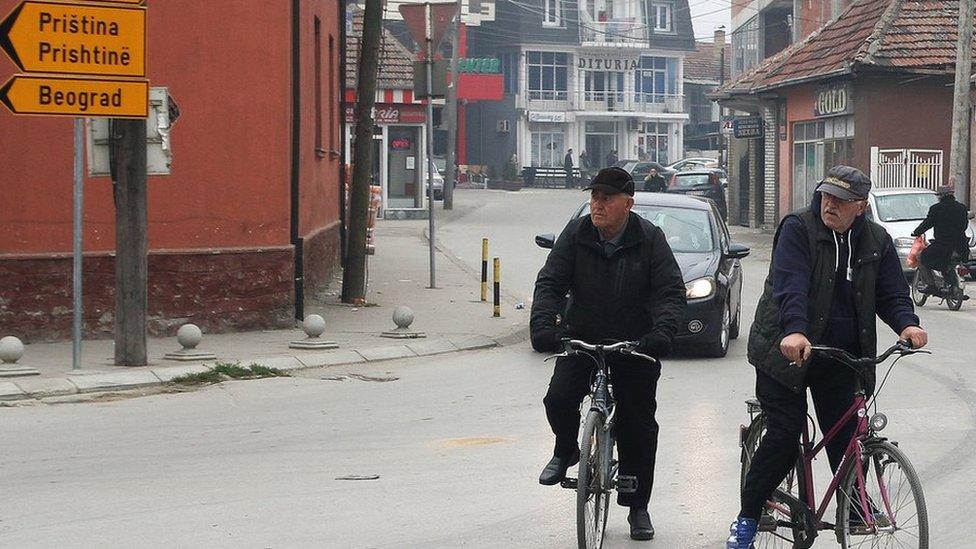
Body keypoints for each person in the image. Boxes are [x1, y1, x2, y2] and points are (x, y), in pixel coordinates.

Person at [727, 165, 928, 548]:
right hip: (784, 349)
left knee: (850, 437)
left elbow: (891, 292)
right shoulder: (798, 229)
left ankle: (853, 509)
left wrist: (907, 324)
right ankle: (748, 518)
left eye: (840, 199)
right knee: (784, 437)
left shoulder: (876, 241)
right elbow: (791, 285)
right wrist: (795, 330)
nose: (829, 204)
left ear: (861, 207)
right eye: (825, 195)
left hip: (841, 354)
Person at [531, 167, 687, 541]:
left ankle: (637, 507)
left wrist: (661, 333)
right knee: (558, 399)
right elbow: (551, 280)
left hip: (634, 343)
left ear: (628, 204)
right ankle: (567, 449)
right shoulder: (578, 232)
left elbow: (670, 292)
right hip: (582, 336)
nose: (597, 205)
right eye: (594, 197)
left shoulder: (650, 239)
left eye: (607, 198)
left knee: (638, 424)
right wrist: (543, 325)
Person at [911, 184, 969, 292]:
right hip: (961, 246)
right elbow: (964, 226)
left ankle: (931, 285)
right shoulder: (962, 208)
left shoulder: (936, 209)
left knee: (920, 257)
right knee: (946, 261)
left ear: (940, 196)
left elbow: (927, 223)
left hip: (942, 246)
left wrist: (916, 232)